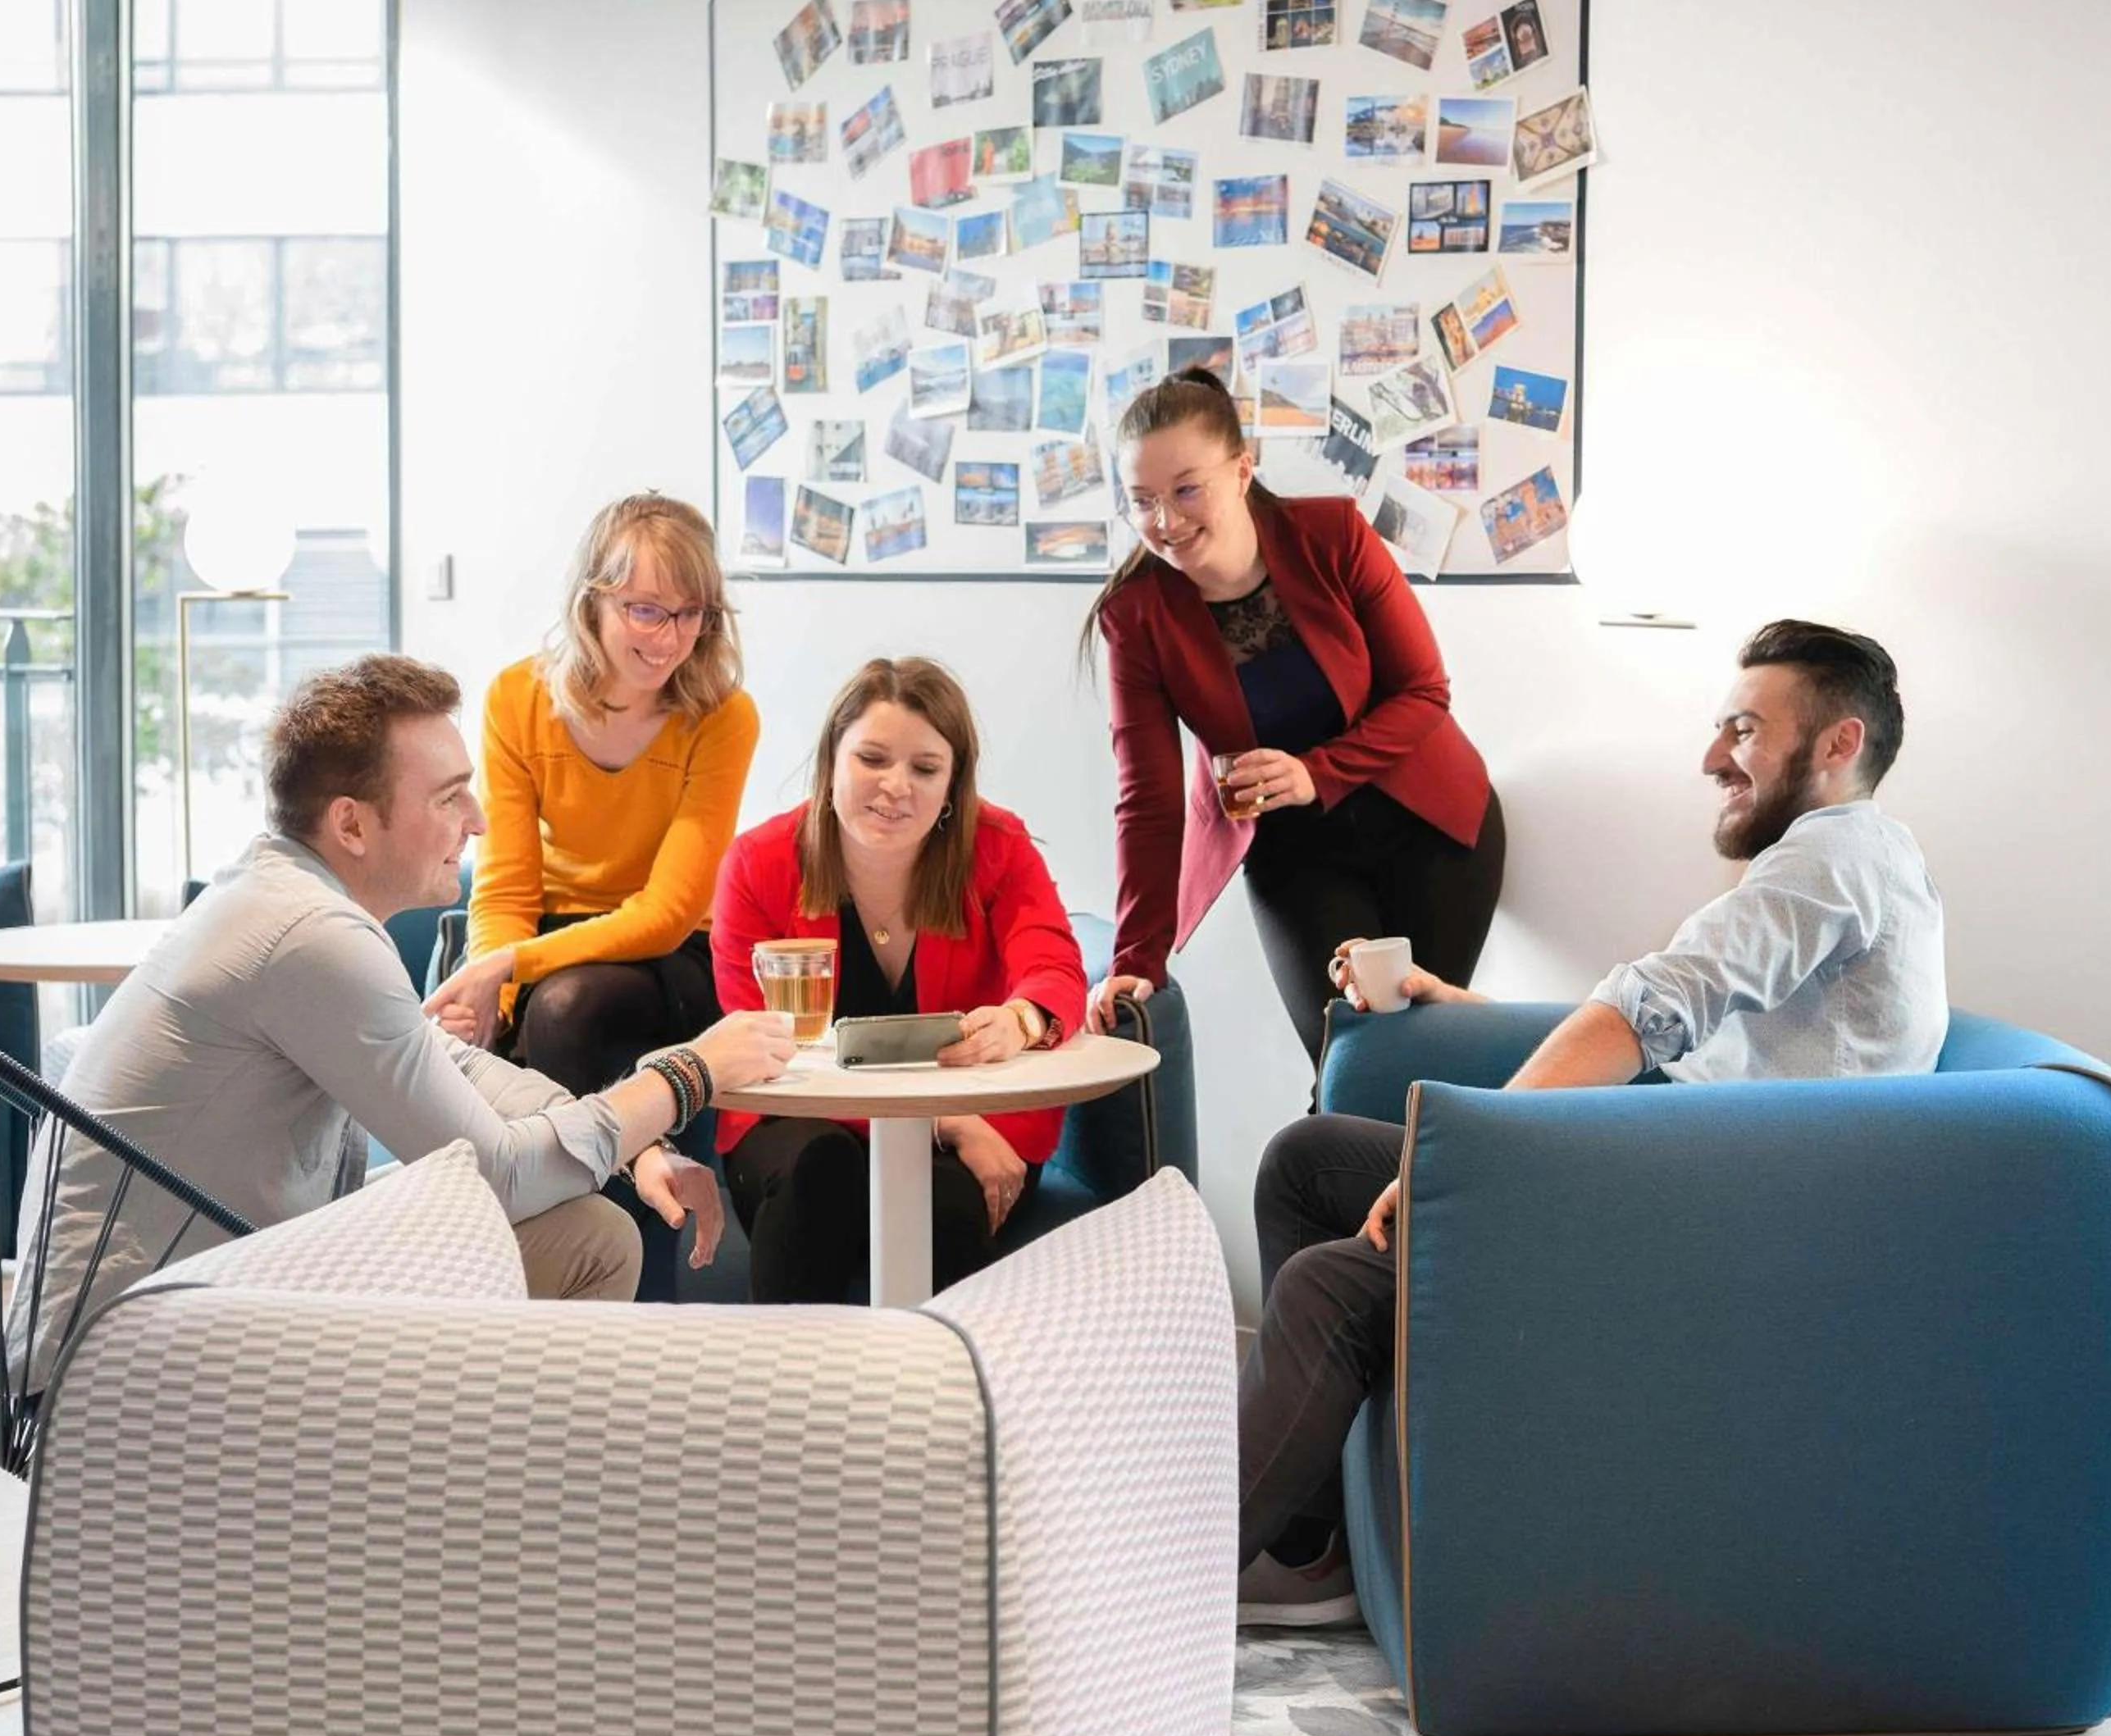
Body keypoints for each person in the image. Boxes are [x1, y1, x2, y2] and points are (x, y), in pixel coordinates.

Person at [1237, 620, 1948, 1625]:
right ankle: (1315, 1551)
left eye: (1743, 730)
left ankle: (1170, 1586)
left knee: (1336, 1281)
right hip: (1679, 1161)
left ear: (1839, 745)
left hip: (1723, 1213)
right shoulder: (1859, 861)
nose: (1712, 759)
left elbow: (1653, 1004)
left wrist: (1466, 1157)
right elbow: (1677, 1042)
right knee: (1308, 1163)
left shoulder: (1833, 857)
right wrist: (1462, 1006)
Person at [9, 655, 794, 1380]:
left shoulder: (283, 895)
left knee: (590, 1230)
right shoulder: (311, 937)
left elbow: (450, 1065)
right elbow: (502, 1175)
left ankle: (463, 1495)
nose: (479, 820)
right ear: (352, 824)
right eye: (450, 796)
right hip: (139, 1358)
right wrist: (689, 1073)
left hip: (197, 1296)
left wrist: (635, 1143)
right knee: (582, 1235)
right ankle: (469, 1499)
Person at [1080, 367, 1504, 1073]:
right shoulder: (1135, 617)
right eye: (1142, 500)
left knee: (1427, 1062)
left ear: (1242, 470)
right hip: (1295, 853)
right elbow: (1148, 801)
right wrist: (1136, 956)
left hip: (1429, 827)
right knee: (1351, 1065)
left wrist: (1316, 771)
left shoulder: (1334, 533)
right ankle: (1331, 1180)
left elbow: (1424, 692)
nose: (1166, 521)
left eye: (1187, 489)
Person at [710, 657, 1088, 1303]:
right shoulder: (758, 863)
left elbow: (1052, 965)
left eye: (924, 769)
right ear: (831, 761)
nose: (896, 786)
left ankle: (940, 1402)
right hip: (799, 1119)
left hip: (974, 1133)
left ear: (953, 787)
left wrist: (1021, 1020)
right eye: (873, 759)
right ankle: (786, 1397)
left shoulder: (996, 846)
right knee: (818, 1172)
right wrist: (946, 1122)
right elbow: (760, 1053)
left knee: (940, 1207)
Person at [424, 494, 761, 1100]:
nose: (671, 638)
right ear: (591, 602)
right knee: (468, 1032)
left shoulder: (724, 717)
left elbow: (665, 914)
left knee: (563, 1007)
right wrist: (491, 1003)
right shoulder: (516, 699)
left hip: (674, 954)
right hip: (547, 934)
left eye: (692, 614)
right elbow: (505, 889)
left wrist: (507, 968)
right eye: (646, 611)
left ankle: (582, 1196)